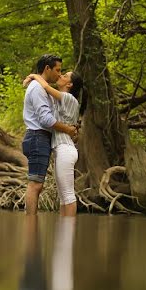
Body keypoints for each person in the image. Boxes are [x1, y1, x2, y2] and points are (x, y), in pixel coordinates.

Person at [22, 69, 87, 216]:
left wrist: (33, 76)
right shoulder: (60, 100)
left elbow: (45, 87)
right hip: (61, 150)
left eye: (64, 76)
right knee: (63, 197)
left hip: (65, 149)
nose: (60, 75)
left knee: (67, 195)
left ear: (69, 84)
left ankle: (68, 232)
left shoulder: (68, 98)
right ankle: (64, 233)